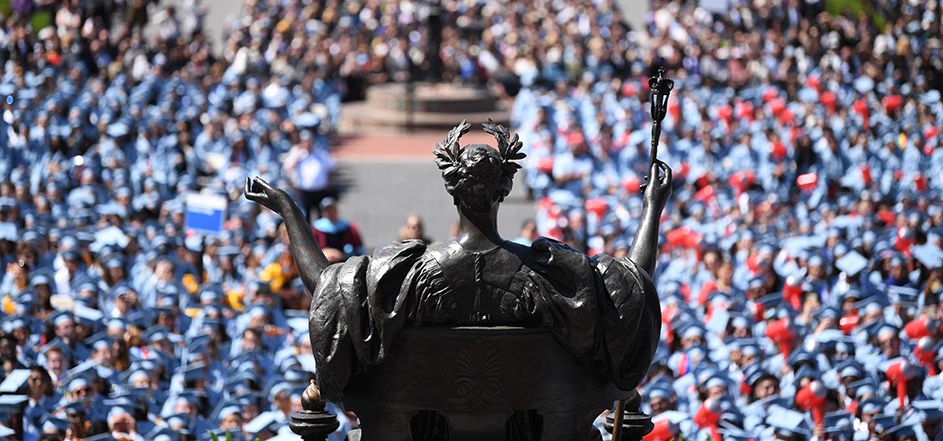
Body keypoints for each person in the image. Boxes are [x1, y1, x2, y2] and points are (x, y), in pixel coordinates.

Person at [245, 120, 671, 403]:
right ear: (505, 189)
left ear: (452, 190)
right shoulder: (551, 273)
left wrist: (289, 210)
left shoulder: (404, 274)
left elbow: (324, 286)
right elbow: (631, 291)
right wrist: (653, 207)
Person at [282, 130, 335, 223]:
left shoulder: (320, 153)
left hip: (320, 191)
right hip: (303, 192)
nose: (307, 144)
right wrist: (296, 156)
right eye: (305, 141)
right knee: (305, 216)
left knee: (321, 217)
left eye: (309, 141)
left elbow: (331, 167)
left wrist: (329, 181)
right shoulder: (297, 154)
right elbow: (287, 167)